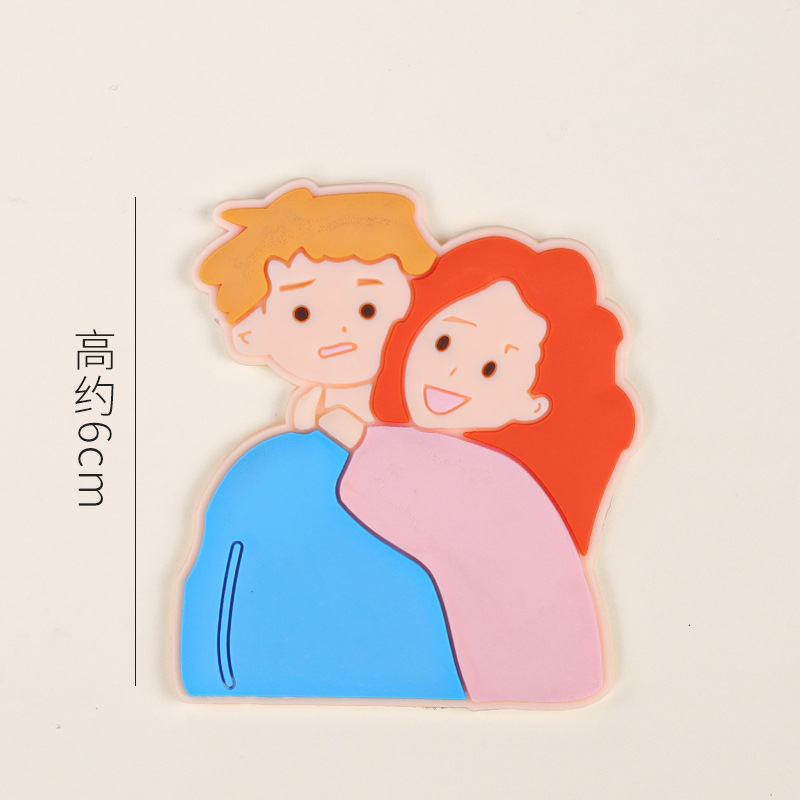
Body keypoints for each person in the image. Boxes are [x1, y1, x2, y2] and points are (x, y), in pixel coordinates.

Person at [320, 235, 638, 703]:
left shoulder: (501, 481)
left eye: (490, 368)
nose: (451, 373)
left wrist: (350, 431)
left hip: (520, 676)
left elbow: (408, 499)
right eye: (444, 341)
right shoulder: (469, 465)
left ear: (533, 404)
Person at [179, 181, 465, 699]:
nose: (342, 332)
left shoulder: (445, 459)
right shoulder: (267, 471)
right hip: (281, 676)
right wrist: (215, 680)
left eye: (368, 309)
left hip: (439, 674)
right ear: (248, 333)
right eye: (302, 313)